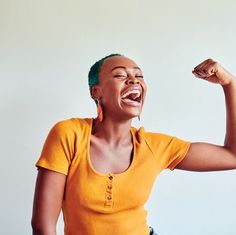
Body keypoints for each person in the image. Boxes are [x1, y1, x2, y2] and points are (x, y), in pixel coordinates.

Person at [31, 54, 236, 235]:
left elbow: (232, 156)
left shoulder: (155, 146)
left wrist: (229, 84)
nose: (133, 80)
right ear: (96, 92)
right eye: (120, 75)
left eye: (139, 76)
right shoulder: (68, 135)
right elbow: (42, 227)